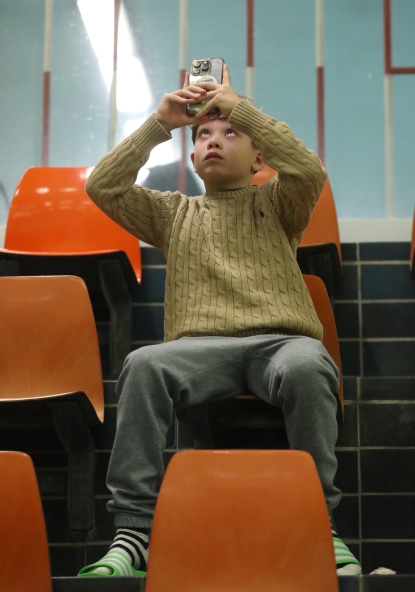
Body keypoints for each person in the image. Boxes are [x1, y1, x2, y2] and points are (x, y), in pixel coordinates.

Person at [78, 64, 361, 577]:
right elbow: (102, 185)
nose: (214, 139)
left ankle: (318, 521)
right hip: (199, 351)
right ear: (191, 158)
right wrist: (160, 124)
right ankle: (134, 534)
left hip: (280, 344)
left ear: (258, 159)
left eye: (230, 132)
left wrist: (240, 107)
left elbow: (308, 170)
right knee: (143, 364)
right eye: (203, 133)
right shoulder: (173, 214)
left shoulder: (280, 203)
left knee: (308, 364)